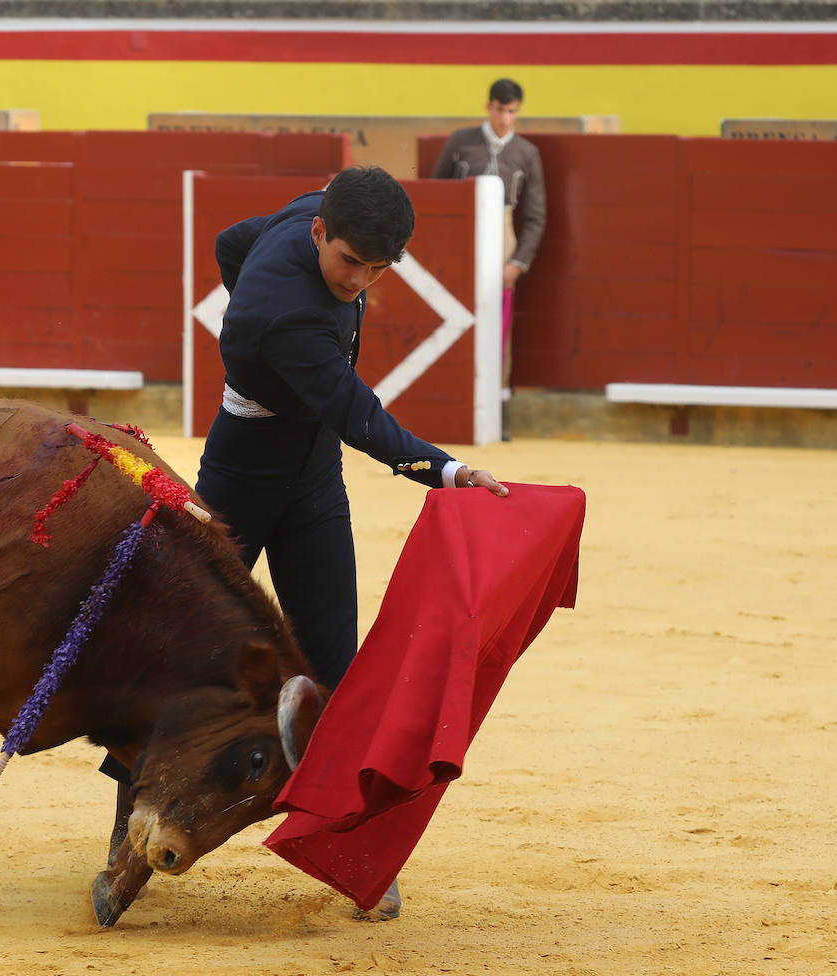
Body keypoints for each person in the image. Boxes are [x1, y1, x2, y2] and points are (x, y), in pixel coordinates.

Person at [125, 166, 507, 920]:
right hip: (245, 469)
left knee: (337, 662)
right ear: (318, 234)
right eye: (347, 263)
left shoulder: (317, 212)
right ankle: (126, 830)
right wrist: (446, 471)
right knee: (190, 651)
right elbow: (359, 416)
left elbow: (230, 241)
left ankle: (353, 850)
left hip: (310, 474)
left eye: (375, 270)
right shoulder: (285, 318)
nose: (356, 281)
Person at [432, 77, 546, 393]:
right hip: (461, 236)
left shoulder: (527, 153)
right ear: (488, 107)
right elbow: (436, 195)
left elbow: (536, 216)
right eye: (500, 110)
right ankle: (451, 392)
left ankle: (496, 403)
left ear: (518, 111)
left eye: (511, 111)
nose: (505, 118)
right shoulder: (461, 142)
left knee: (499, 324)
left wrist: (518, 262)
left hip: (503, 237)